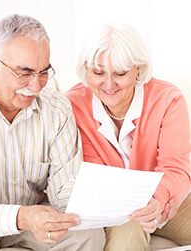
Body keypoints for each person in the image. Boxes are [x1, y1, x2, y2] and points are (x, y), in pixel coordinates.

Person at [0, 14, 105, 250]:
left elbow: (65, 189)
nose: (36, 85)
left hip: (33, 225)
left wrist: (94, 205)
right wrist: (21, 217)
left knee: (87, 233)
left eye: (44, 72)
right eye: (24, 73)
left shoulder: (57, 109)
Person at [65, 23, 191, 251]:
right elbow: (93, 175)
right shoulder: (72, 105)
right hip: (113, 208)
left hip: (167, 198)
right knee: (127, 240)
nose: (109, 84)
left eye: (120, 74)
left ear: (138, 69)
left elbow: (176, 168)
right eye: (98, 73)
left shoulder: (169, 100)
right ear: (86, 70)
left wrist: (157, 200)